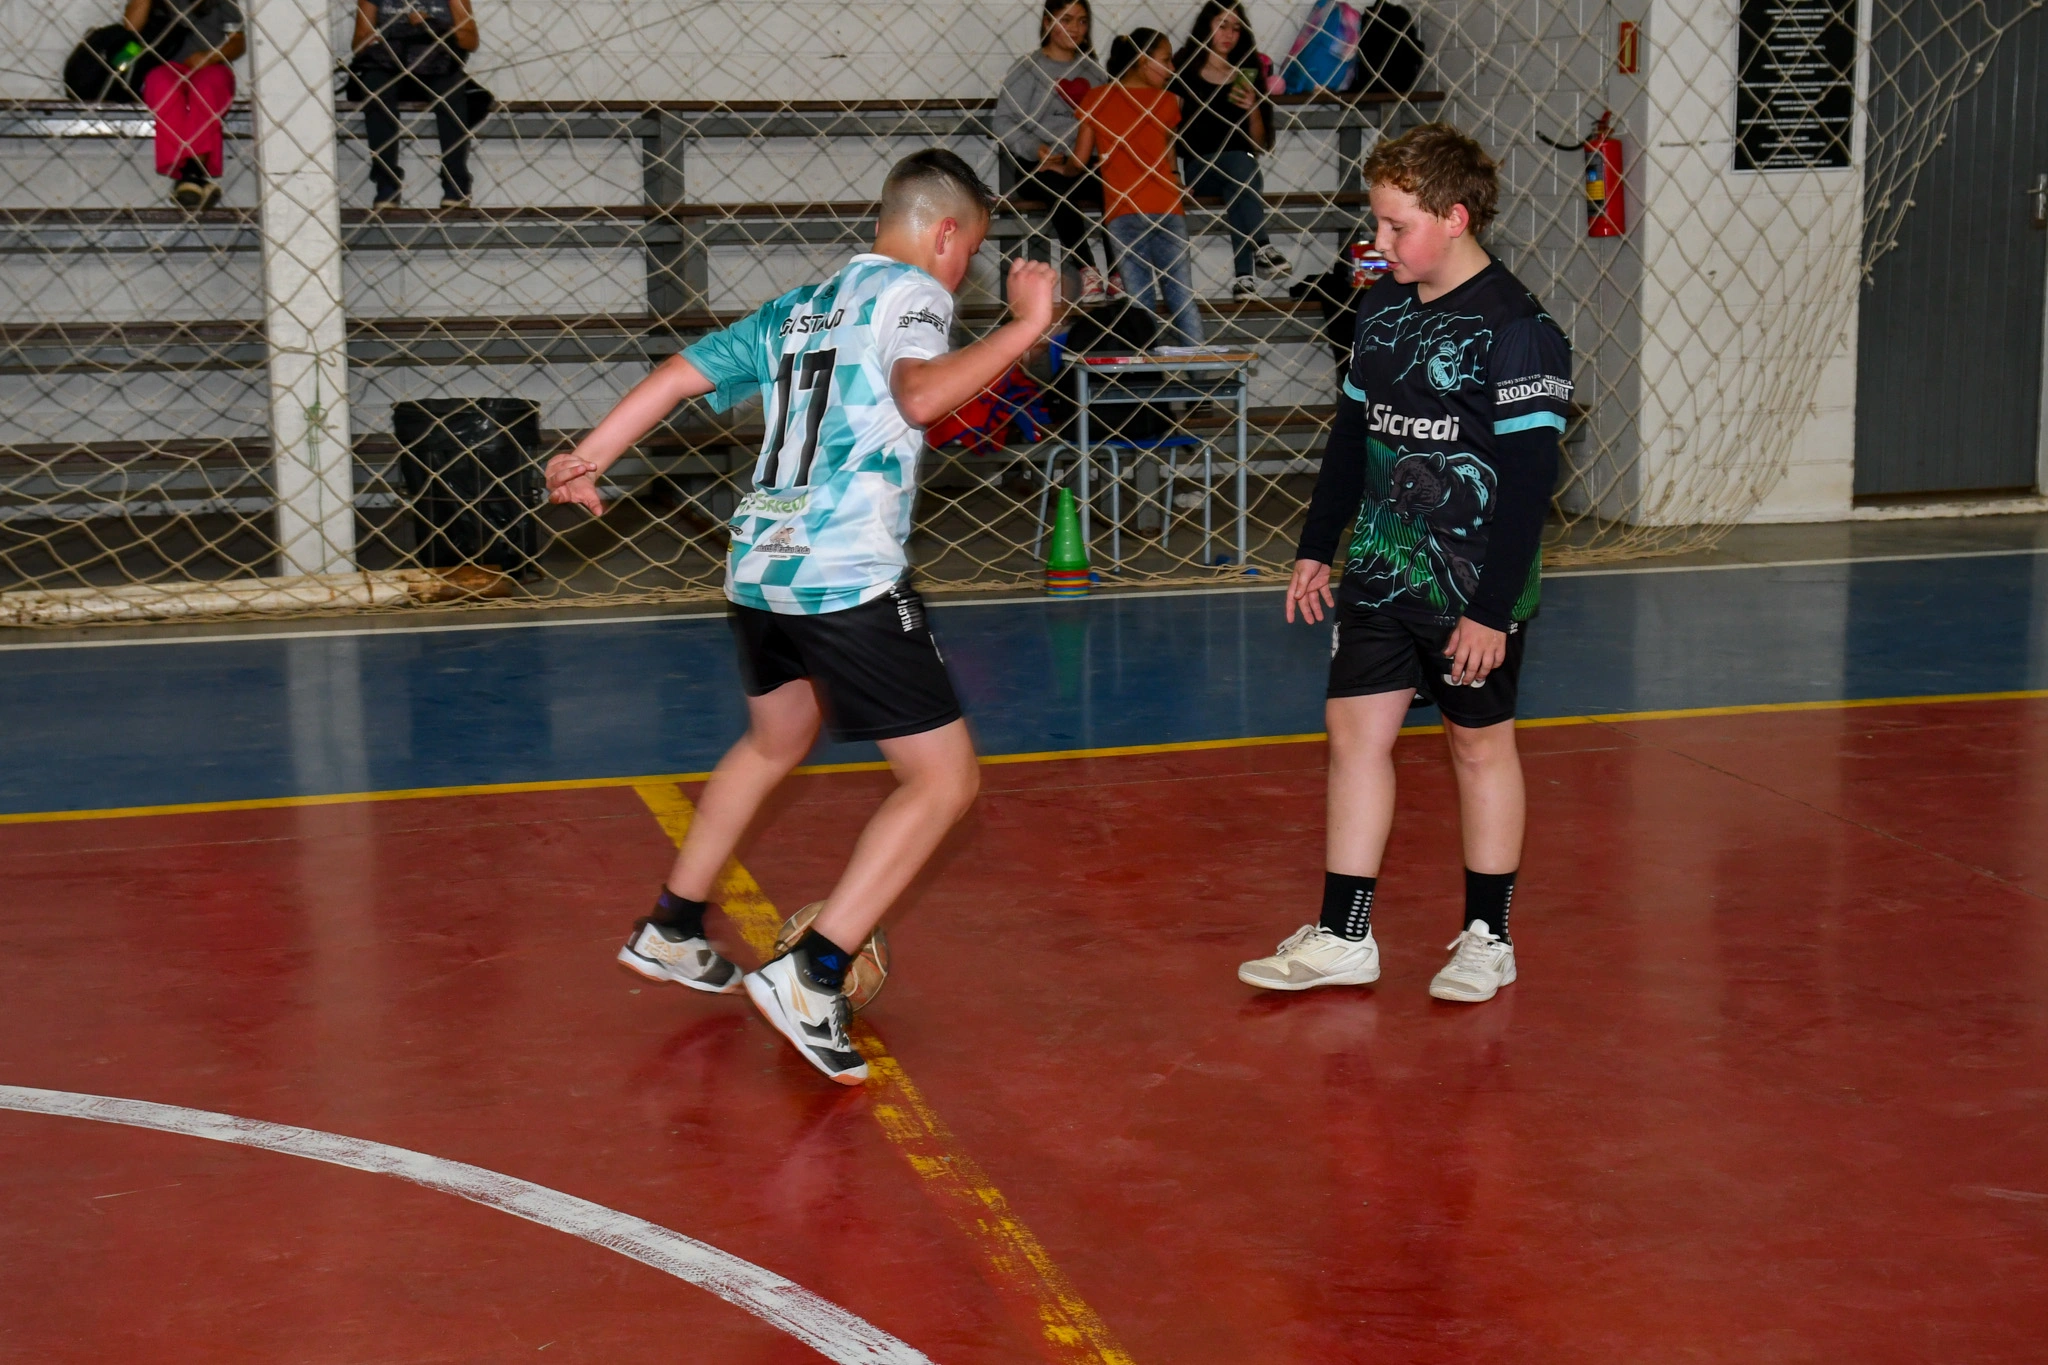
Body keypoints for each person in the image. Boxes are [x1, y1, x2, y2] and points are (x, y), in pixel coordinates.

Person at [544, 151, 1059, 1086]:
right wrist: (1026, 325)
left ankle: (673, 923)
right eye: (968, 255)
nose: (961, 274)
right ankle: (814, 971)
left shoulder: (802, 306)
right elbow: (921, 396)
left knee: (776, 738)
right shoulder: (913, 293)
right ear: (946, 234)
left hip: (758, 565)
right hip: (844, 573)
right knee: (943, 784)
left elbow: (677, 375)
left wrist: (590, 453)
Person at [1236, 123, 1572, 1004]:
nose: (1378, 244)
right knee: (1354, 735)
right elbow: (1354, 435)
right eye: (1376, 225)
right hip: (1384, 568)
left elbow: (1532, 486)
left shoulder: (1519, 330)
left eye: (1395, 227)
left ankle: (1487, 936)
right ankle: (1345, 935)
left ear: (1455, 218)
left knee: (1476, 746)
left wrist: (1491, 610)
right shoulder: (1380, 308)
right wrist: (1318, 546)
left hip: (1472, 584)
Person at [1073, 29, 1205, 345]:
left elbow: (1078, 161)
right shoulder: (1168, 101)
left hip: (1123, 212)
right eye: (1165, 60)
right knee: (1181, 297)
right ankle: (1201, 379)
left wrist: (1056, 165)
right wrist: (1176, 180)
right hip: (1167, 209)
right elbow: (1168, 153)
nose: (1172, 68)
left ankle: (1147, 379)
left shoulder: (1096, 98)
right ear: (1142, 61)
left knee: (1139, 305)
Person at [993, 0, 1110, 304]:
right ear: (1047, 23)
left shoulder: (1094, 72)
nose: (1075, 28)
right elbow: (1003, 121)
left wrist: (1084, 156)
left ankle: (1120, 271)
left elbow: (1108, 123)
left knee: (1116, 188)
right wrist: (1036, 149)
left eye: (1082, 21)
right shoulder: (1028, 68)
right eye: (1067, 19)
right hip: (1039, 165)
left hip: (1083, 163)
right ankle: (1088, 270)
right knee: (1060, 190)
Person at [1172, 0, 1289, 301]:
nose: (1230, 34)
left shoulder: (1245, 73)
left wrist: (1252, 108)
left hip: (1240, 171)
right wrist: (1173, 176)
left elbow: (1258, 144)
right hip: (1200, 168)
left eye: (1236, 28)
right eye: (1222, 25)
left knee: (1242, 175)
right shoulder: (1185, 69)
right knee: (1243, 171)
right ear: (1206, 26)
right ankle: (1260, 246)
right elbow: (1167, 131)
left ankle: (1245, 280)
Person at [351, 0, 481, 210]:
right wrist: (376, 36)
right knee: (375, 85)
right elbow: (357, 45)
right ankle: (386, 185)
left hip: (436, 63)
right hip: (393, 64)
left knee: (453, 88)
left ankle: (456, 185)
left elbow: (470, 41)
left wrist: (429, 24)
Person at [124, 0, 243, 210]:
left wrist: (211, 56)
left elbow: (238, 41)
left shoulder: (221, 3)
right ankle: (195, 177)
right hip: (164, 67)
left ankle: (190, 174)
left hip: (210, 66)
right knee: (161, 85)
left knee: (209, 87)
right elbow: (130, 28)